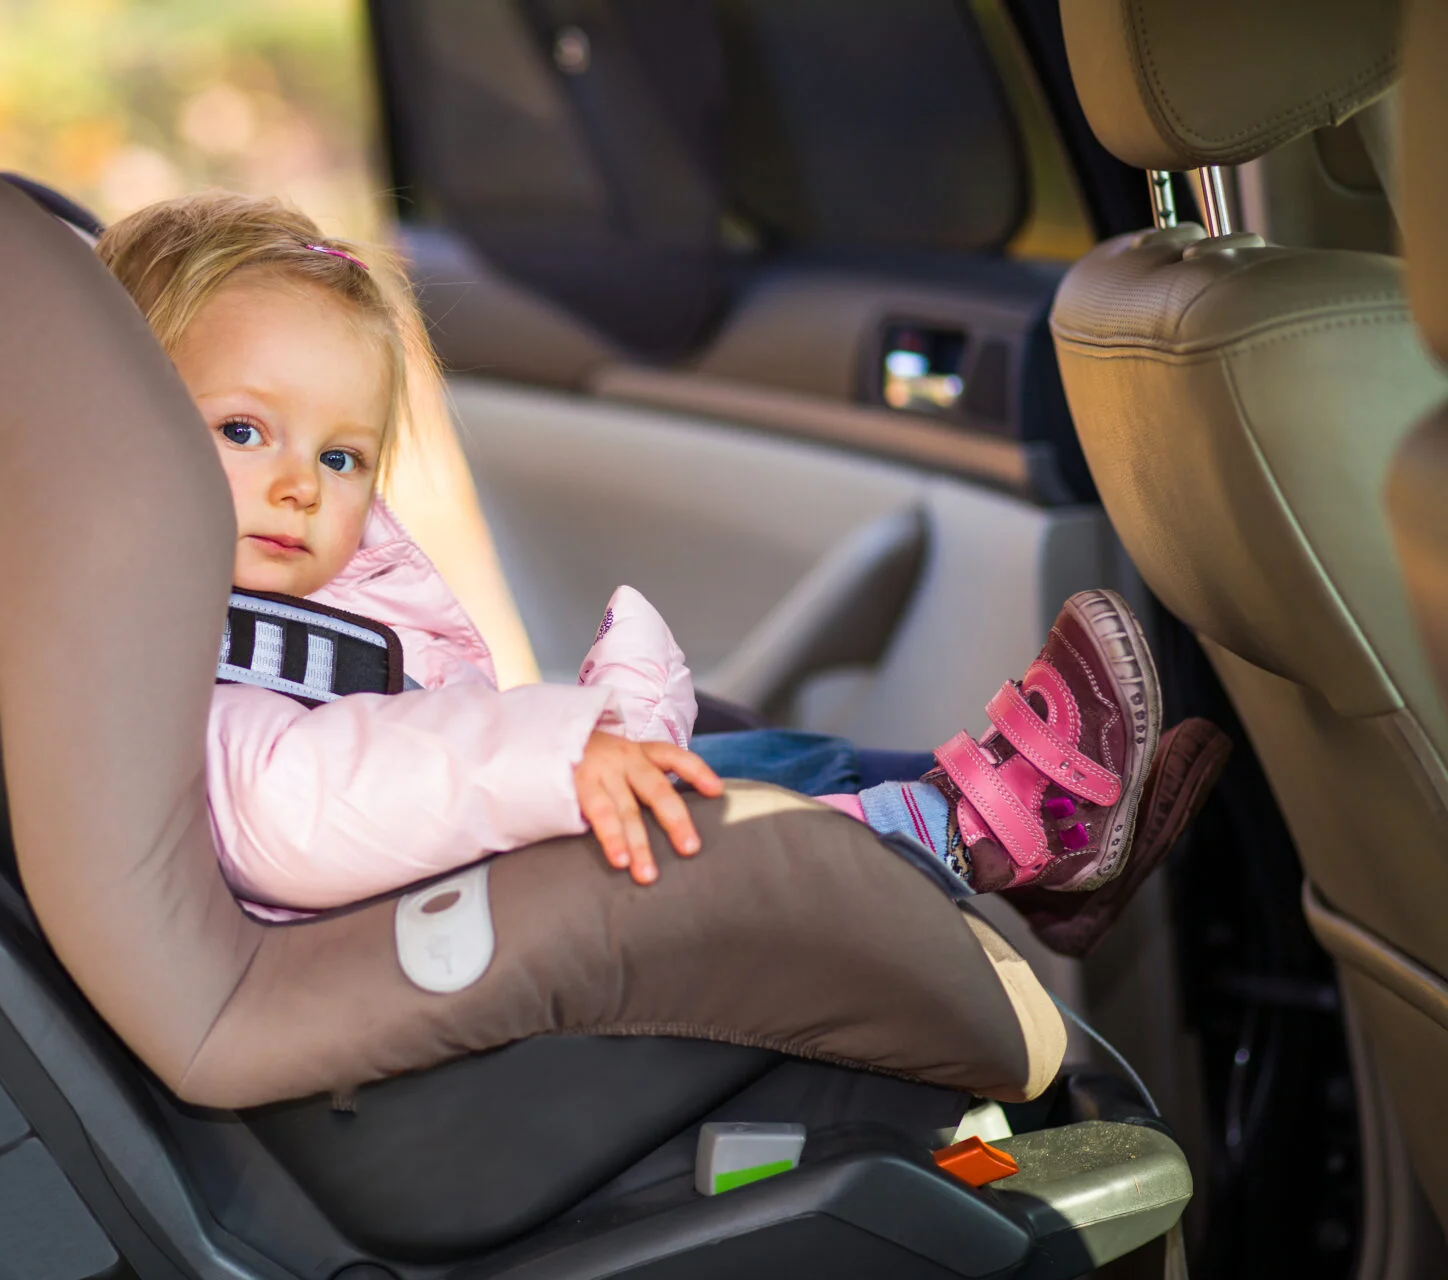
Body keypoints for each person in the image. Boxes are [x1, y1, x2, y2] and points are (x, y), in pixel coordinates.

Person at [95, 192, 1229, 958]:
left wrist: (560, 743)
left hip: (463, 858)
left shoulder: (246, 615)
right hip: (451, 931)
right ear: (117, 427)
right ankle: (983, 826)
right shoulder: (184, 670)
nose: (302, 485)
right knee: (730, 819)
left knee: (738, 754)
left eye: (342, 456)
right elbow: (305, 801)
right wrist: (554, 751)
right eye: (244, 432)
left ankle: (1021, 828)